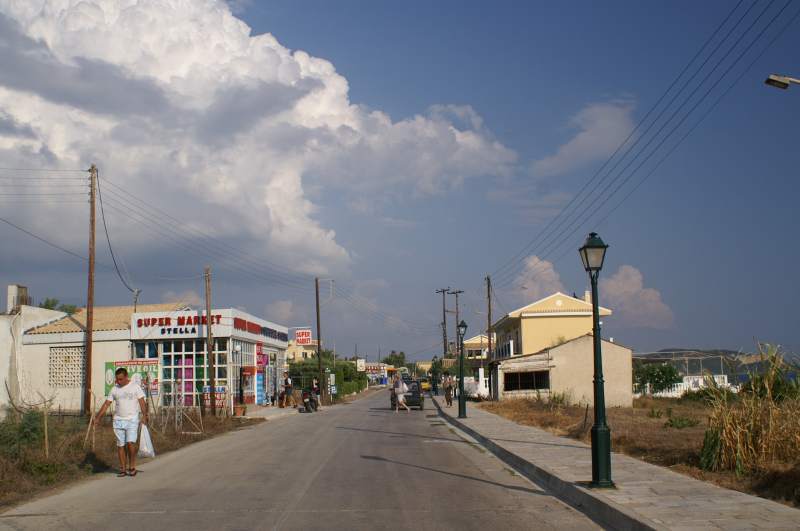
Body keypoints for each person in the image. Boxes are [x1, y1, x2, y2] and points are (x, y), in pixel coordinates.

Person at [94, 367, 148, 477]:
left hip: (132, 419)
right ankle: (123, 468)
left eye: (120, 379)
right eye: (117, 379)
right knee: (120, 445)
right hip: (118, 420)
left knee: (130, 443)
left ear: (126, 377)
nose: (118, 381)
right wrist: (98, 417)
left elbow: (142, 401)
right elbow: (106, 404)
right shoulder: (114, 389)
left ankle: (132, 466)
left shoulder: (135, 387)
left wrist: (145, 415)